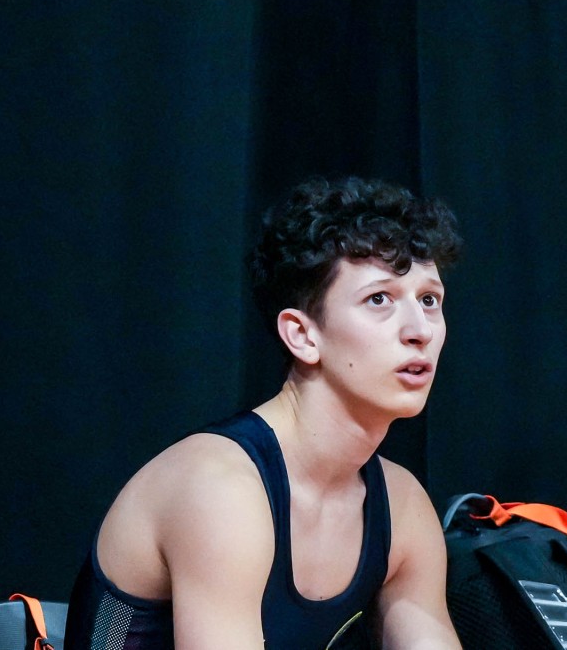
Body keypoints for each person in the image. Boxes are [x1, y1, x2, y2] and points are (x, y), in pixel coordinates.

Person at [64, 177, 465, 650]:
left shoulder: (402, 506)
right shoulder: (221, 488)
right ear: (302, 335)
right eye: (379, 299)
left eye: (429, 300)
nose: (420, 330)